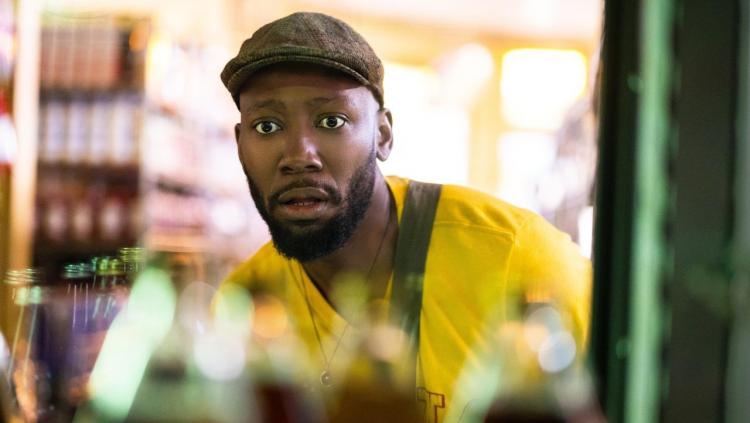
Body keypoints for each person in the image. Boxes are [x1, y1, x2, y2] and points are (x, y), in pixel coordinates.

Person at [219, 11, 591, 422]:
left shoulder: (517, 258)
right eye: (267, 126)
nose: (298, 156)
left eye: (331, 121)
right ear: (239, 144)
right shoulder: (243, 311)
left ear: (383, 135)